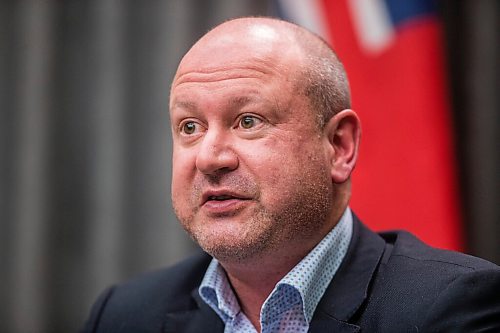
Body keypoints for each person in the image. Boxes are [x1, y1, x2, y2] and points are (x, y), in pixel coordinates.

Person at [83, 17, 500, 332]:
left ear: (339, 146)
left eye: (248, 121)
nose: (209, 158)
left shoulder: (449, 308)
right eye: (190, 127)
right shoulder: (126, 314)